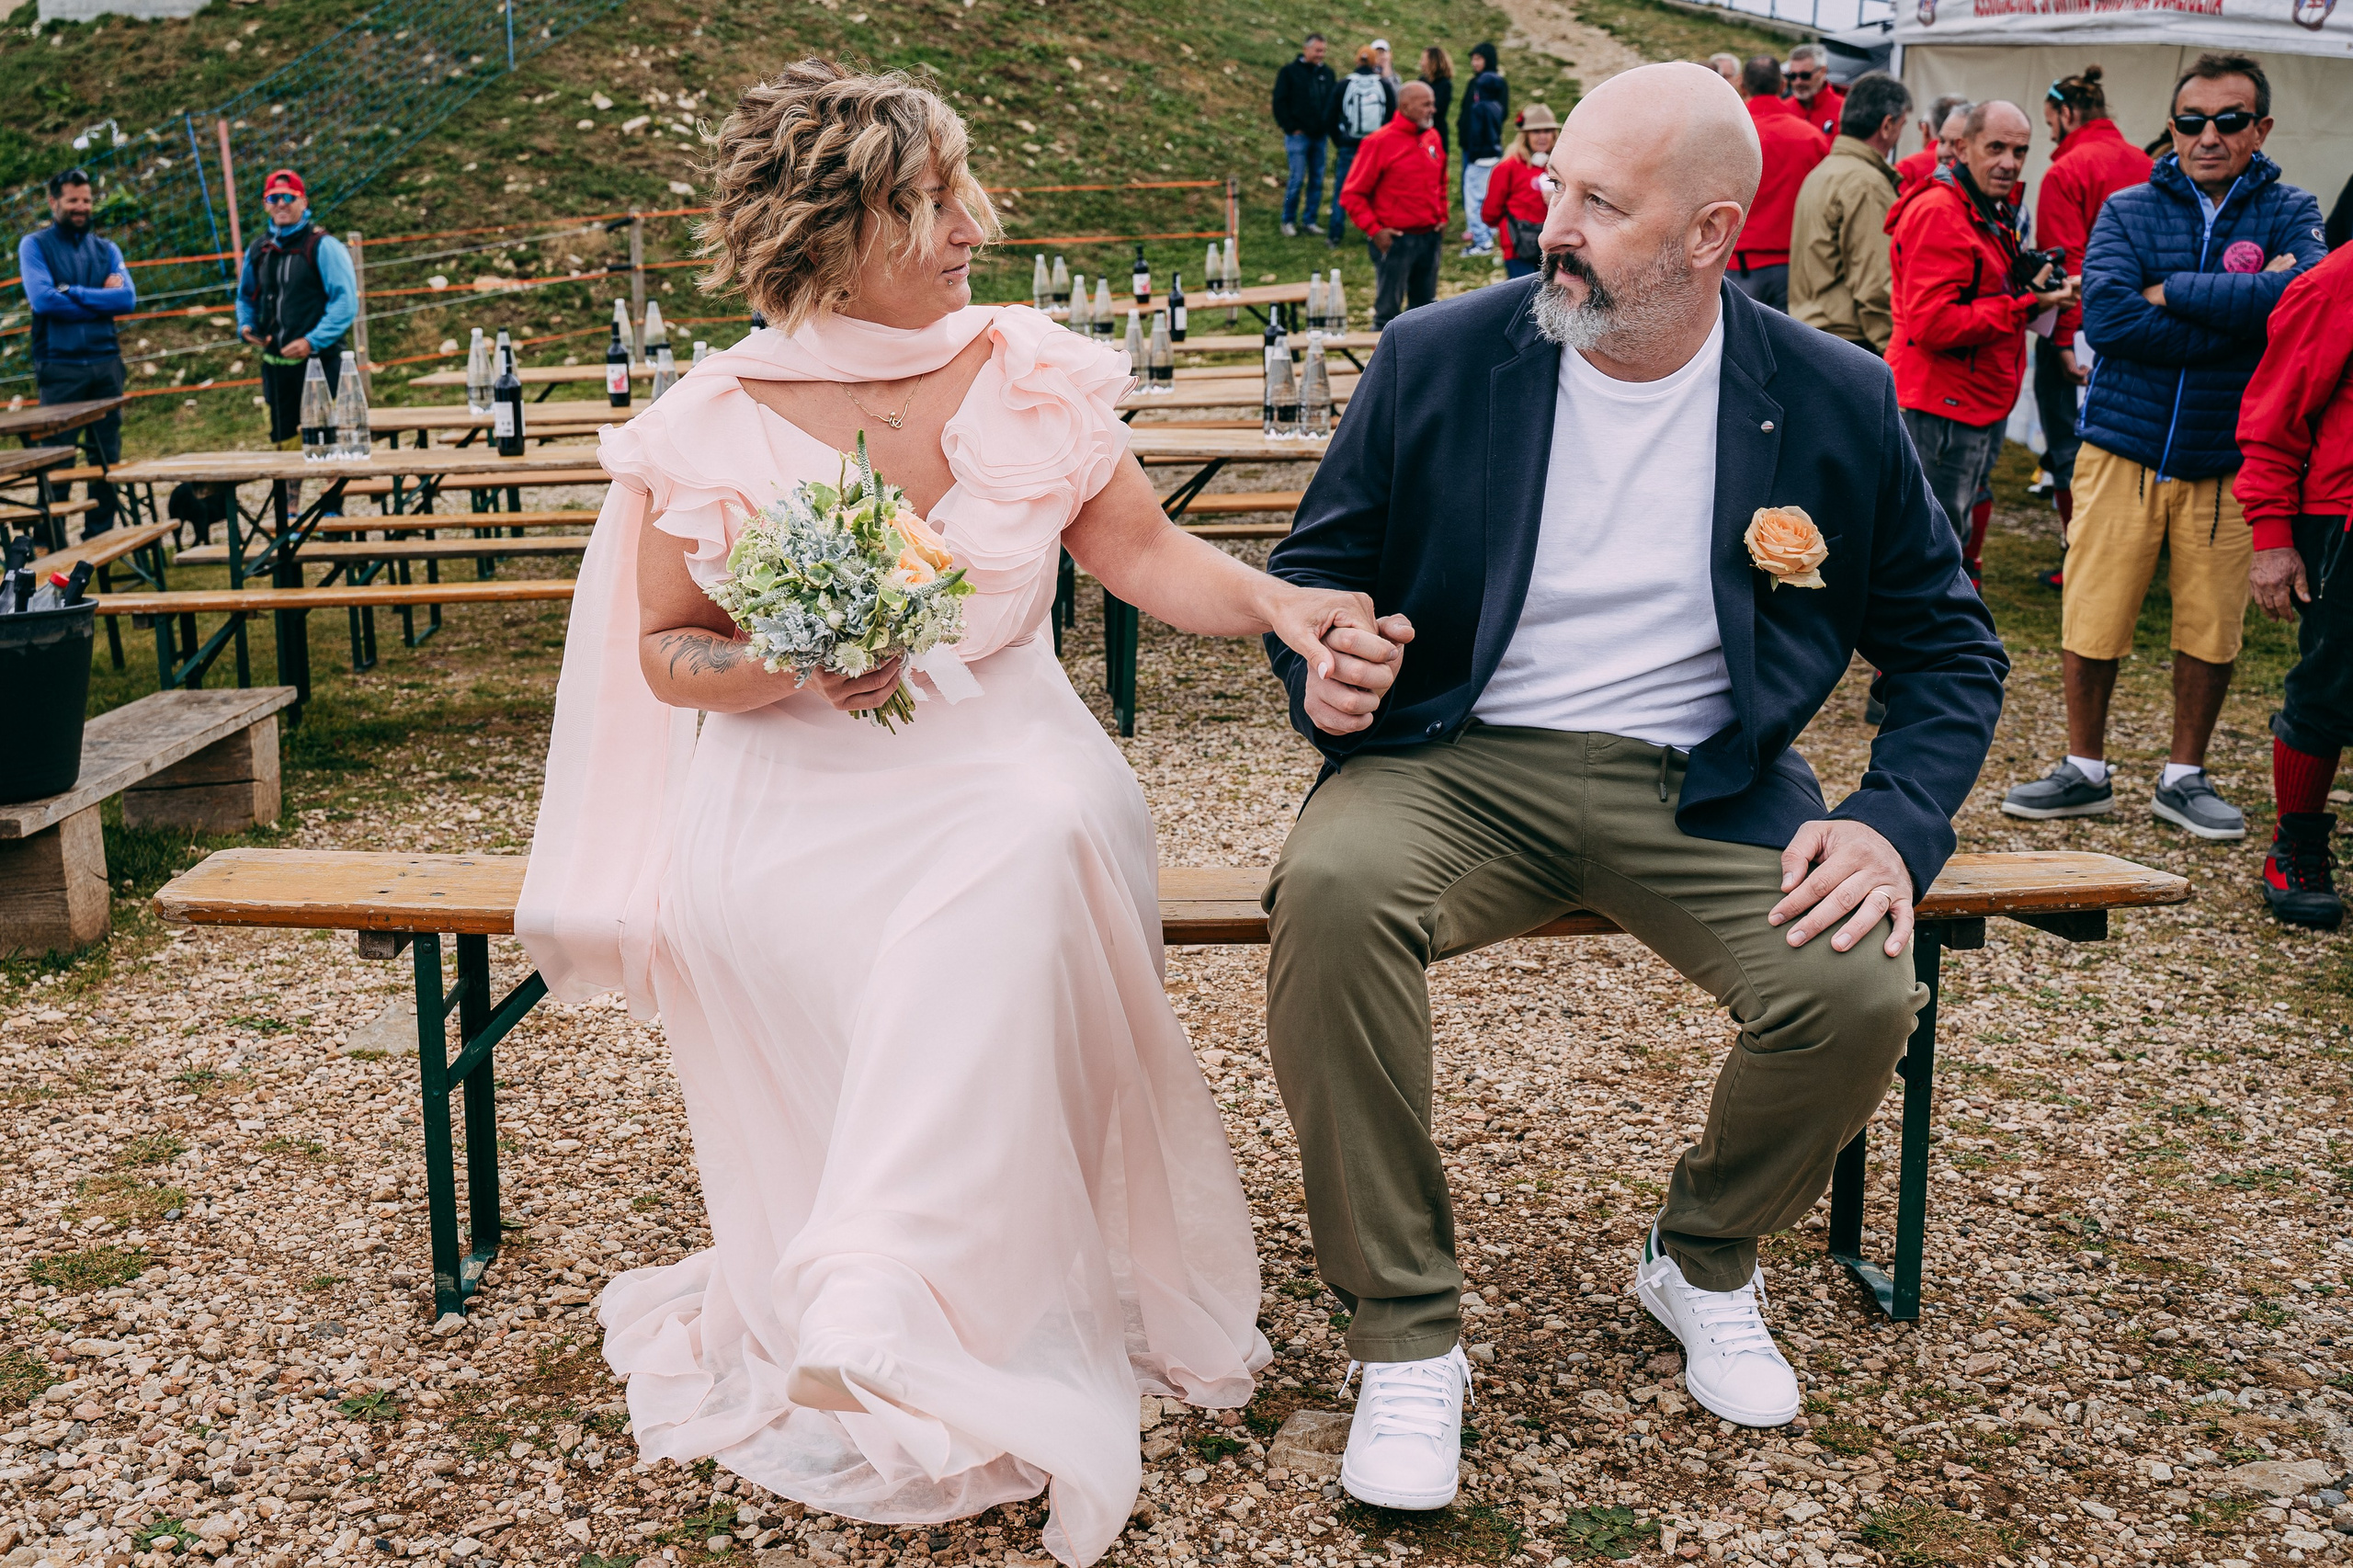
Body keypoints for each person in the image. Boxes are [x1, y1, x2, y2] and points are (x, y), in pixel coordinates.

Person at [518, 60, 1401, 1565]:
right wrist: (790, 651)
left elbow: (1142, 550)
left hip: (1004, 752)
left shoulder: (1029, 367)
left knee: (1028, 839)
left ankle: (883, 1275)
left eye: (961, 187)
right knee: (967, 897)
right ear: (828, 230)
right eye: (924, 202)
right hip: (793, 785)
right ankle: (895, 1288)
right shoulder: (712, 421)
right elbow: (670, 653)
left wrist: (1280, 603)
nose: (969, 224)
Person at [1258, 62, 2005, 1508]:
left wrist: (1894, 821)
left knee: (1858, 989)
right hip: (1456, 763)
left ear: (1714, 234)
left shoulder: (1836, 398)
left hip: (1708, 783)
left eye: (1602, 204)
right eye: (1558, 187)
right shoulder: (1436, 353)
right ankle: (1406, 1330)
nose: (1557, 222)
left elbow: (1949, 649)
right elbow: (1316, 576)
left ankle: (1703, 1254)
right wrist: (1326, 669)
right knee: (1332, 894)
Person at [2003, 52, 2325, 840]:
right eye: (2191, 120)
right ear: (2173, 126)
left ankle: (2184, 775)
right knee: (2094, 608)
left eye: (2229, 119)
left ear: (2262, 129)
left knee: (2213, 623)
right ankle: (2085, 768)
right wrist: (2243, 316)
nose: (2208, 135)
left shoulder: (2292, 209)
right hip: (2123, 441)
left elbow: (2301, 307)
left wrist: (2173, 289)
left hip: (2227, 453)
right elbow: (2109, 322)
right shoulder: (2126, 207)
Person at [1884, 102, 2074, 584]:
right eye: (1996, 148)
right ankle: (1919, 654)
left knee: (1955, 535)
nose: (2009, 162)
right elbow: (1932, 324)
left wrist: (2031, 283)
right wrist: (2026, 303)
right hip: (1941, 405)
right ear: (1962, 149)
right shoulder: (1940, 212)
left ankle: (1948, 640)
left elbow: (1981, 288)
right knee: (1930, 548)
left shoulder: (1986, 206)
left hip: (1975, 399)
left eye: (2020, 150)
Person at [2239, 242, 2353, 928]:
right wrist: (2272, 537)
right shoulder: (2336, 281)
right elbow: (2274, 418)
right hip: (2344, 518)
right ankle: (2297, 845)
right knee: (2333, 681)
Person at [2031, 66, 2154, 560]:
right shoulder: (2145, 163)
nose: (2051, 136)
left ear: (2067, 113)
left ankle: (2078, 556)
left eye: (2050, 124)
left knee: (2069, 448)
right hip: (2144, 326)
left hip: (2082, 328)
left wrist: (2061, 342)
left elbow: (2065, 266)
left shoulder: (2067, 170)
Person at [18, 169, 132, 540]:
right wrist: (100, 299)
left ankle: (100, 538)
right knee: (57, 458)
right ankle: (51, 542)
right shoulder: (34, 246)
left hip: (106, 366)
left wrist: (72, 292)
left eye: (86, 199)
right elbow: (42, 299)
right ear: (54, 202)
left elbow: (127, 299)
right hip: (60, 367)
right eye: (72, 200)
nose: (81, 207)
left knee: (106, 459)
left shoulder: (107, 249)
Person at [234, 168, 358, 448]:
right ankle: (288, 494)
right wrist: (247, 326)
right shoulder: (258, 249)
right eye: (273, 197)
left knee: (331, 446)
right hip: (276, 370)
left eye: (289, 197)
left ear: (304, 201)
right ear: (265, 204)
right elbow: (245, 297)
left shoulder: (323, 246)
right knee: (284, 446)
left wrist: (311, 341)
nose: (281, 203)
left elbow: (345, 302)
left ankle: (332, 492)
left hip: (322, 363)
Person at [1790, 71, 1910, 355]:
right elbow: (1876, 287)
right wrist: (1894, 351)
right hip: (1849, 343)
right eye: (1903, 125)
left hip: (1813, 334)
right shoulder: (1866, 183)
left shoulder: (1824, 171)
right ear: (1887, 125)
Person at [1341, 80, 1449, 326]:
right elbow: (1352, 194)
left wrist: (1442, 216)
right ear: (1405, 106)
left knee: (1426, 312)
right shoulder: (1379, 142)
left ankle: (1421, 363)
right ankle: (1381, 363)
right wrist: (1375, 231)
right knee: (1387, 313)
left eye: (1433, 103)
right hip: (1397, 239)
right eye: (1426, 105)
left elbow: (1441, 180)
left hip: (1428, 236)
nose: (1433, 109)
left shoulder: (1432, 136)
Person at [1730, 55, 1828, 311]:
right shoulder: (1811, 138)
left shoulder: (1727, 134)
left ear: (1743, 86)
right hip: (1792, 268)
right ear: (1782, 85)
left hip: (1736, 265)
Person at [1327, 44, 1399, 246]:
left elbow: (1330, 116)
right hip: (1376, 146)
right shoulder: (1384, 85)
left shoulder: (1345, 84)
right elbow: (1392, 116)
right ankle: (1374, 231)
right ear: (1375, 61)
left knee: (1343, 188)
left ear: (1357, 60)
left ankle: (1334, 234)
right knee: (1377, 190)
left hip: (1349, 145)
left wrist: (1340, 140)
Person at [1482, 105, 1559, 280]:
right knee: (1525, 301)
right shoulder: (1508, 167)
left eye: (1547, 131)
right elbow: (1490, 213)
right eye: (1536, 131)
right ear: (1525, 135)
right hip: (1518, 247)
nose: (1542, 136)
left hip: (1553, 246)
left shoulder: (1561, 166)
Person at [1275, 35, 1338, 238]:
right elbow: (1279, 102)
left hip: (1320, 136)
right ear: (1306, 49)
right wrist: (1290, 126)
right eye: (1317, 50)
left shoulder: (1327, 74)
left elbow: (1332, 102)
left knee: (1317, 180)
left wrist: (1329, 125)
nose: (1321, 55)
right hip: (1298, 137)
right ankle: (1288, 219)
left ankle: (1309, 220)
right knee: (1296, 178)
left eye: (1323, 51)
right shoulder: (1289, 73)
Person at [1458, 43, 1509, 256]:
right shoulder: (1490, 98)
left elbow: (1476, 127)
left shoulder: (1483, 104)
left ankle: (1482, 238)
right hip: (1491, 152)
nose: (1474, 63)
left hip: (1478, 154)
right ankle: (1486, 229)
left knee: (1475, 194)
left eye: (1479, 58)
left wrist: (1474, 148)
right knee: (1484, 192)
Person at [1894, 94, 1970, 190]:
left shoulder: (1907, 168)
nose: (1946, 153)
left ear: (1925, 129)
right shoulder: (1979, 172)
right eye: (1942, 141)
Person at [1784, 42, 1844, 142]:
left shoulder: (1843, 110)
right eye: (1792, 76)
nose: (1798, 82)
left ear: (1823, 70)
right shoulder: (1784, 109)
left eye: (1805, 75)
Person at [1417, 46, 1455, 158]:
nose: (1421, 62)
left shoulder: (1445, 84)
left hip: (1436, 131)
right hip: (1421, 131)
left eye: (1423, 59)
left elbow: (1438, 109)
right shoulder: (1422, 80)